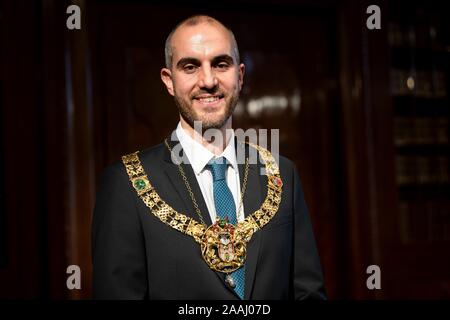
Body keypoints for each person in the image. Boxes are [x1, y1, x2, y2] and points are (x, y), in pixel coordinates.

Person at [91, 14, 326, 300]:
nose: (208, 80)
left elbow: (308, 293)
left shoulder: (280, 172)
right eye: (190, 66)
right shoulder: (125, 183)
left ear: (239, 76)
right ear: (169, 80)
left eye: (220, 64)